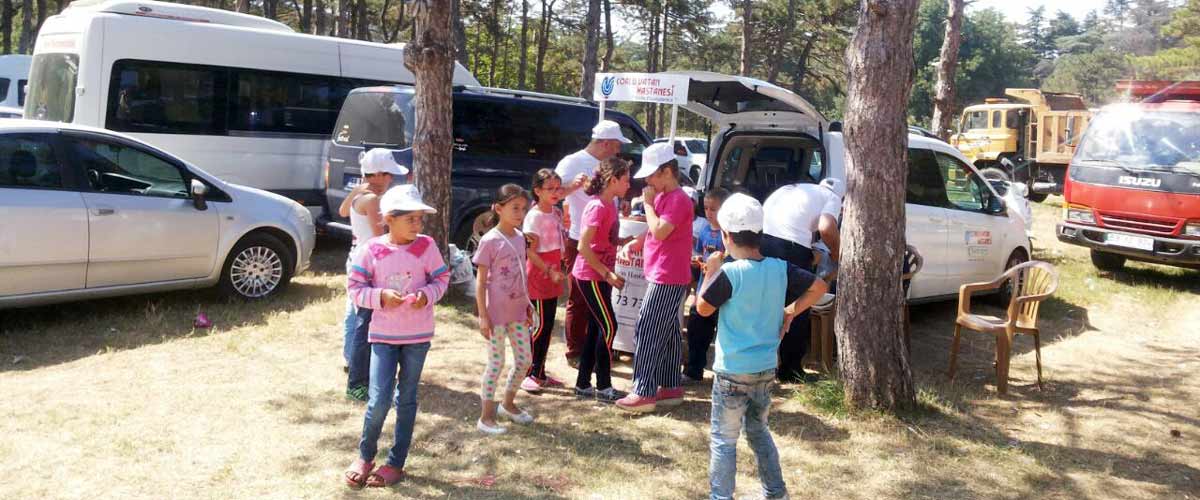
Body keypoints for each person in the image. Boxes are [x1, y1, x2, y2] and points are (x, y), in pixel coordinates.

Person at [695, 193, 828, 500]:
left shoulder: (730, 273)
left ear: (726, 236)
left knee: (724, 440)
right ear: (760, 234)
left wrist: (712, 270)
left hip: (730, 373)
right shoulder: (781, 268)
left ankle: (721, 496)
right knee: (759, 432)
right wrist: (791, 310)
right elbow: (819, 286)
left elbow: (702, 309)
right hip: (765, 369)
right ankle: (776, 493)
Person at [343, 185, 449, 488]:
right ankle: (365, 456)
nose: (418, 225)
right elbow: (355, 289)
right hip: (383, 337)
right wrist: (379, 297)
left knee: (407, 399)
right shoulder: (371, 249)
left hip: (418, 337)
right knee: (378, 399)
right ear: (389, 218)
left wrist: (426, 296)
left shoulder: (426, 246)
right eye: (411, 219)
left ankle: (396, 461)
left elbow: (441, 278)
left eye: (419, 219)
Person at [616, 143, 695, 413]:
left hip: (668, 276)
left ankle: (644, 391)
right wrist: (637, 243)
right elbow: (654, 232)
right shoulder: (663, 197)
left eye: (651, 175)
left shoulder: (679, 199)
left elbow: (660, 230)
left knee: (647, 329)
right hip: (664, 272)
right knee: (669, 331)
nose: (647, 181)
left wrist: (648, 205)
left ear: (667, 171)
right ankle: (670, 385)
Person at [556, 120, 631, 366]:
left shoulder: (607, 166)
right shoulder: (572, 162)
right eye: (617, 144)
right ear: (606, 143)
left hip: (604, 241)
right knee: (579, 299)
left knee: (599, 298)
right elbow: (552, 194)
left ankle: (596, 350)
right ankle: (575, 352)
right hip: (580, 238)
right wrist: (571, 186)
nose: (619, 150)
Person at [338, 148, 407, 401]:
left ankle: (351, 362)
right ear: (377, 174)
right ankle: (358, 378)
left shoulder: (360, 194)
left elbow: (343, 212)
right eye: (388, 175)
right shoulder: (373, 200)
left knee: (353, 314)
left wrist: (359, 189)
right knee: (364, 324)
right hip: (369, 263)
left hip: (354, 257)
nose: (391, 179)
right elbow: (382, 236)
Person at [760, 177, 843, 383]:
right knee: (797, 307)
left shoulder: (798, 189)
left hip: (764, 241)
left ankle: (762, 366)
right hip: (789, 247)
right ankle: (790, 371)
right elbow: (826, 228)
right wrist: (836, 252)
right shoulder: (832, 197)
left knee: (769, 305)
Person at [472, 184, 537, 435]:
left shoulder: (521, 238)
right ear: (498, 209)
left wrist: (527, 303)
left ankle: (508, 405)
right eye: (514, 208)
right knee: (496, 363)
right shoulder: (489, 241)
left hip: (518, 312)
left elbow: (521, 275)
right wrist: (483, 316)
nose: (520, 213)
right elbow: (480, 281)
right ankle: (486, 417)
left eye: (523, 208)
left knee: (524, 360)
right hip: (496, 315)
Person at [572, 157, 632, 403]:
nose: (629, 184)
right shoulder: (597, 207)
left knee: (598, 328)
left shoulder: (611, 204)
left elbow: (602, 240)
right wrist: (607, 273)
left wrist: (621, 243)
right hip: (591, 276)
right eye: (626, 179)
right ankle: (604, 386)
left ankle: (583, 384)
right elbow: (583, 247)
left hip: (601, 275)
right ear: (613, 180)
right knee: (609, 327)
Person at [521, 169, 568, 393]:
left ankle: (539, 371)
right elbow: (529, 252)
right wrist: (548, 270)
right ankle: (529, 371)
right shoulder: (534, 216)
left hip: (553, 272)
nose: (555, 193)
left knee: (548, 324)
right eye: (550, 189)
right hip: (539, 275)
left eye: (558, 188)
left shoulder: (556, 213)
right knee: (538, 325)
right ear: (537, 191)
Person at [682, 188, 730, 384]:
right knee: (696, 329)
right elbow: (699, 250)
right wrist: (697, 259)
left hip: (722, 292)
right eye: (706, 208)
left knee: (723, 334)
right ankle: (694, 370)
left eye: (714, 209)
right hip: (703, 289)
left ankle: (725, 372)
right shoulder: (704, 230)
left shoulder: (728, 235)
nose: (709, 213)